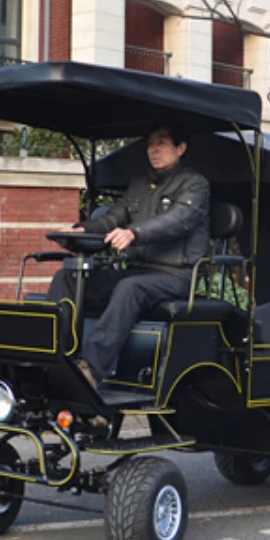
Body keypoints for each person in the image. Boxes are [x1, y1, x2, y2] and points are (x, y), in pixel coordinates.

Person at [48, 124, 210, 389]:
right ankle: (54, 355)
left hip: (176, 276)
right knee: (68, 277)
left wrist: (134, 233)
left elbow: (179, 220)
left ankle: (90, 367)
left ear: (181, 148)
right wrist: (79, 229)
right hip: (137, 270)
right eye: (150, 143)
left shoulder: (195, 184)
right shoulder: (139, 185)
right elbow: (113, 218)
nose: (153, 149)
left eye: (162, 142)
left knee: (129, 287)